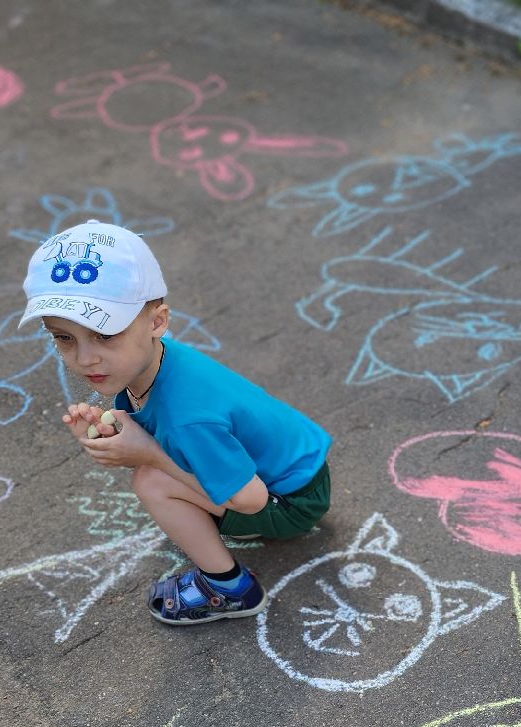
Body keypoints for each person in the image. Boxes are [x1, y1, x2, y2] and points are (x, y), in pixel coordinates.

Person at [22, 220, 332, 624]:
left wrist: (147, 453)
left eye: (104, 335)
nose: (84, 359)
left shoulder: (189, 417)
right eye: (64, 338)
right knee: (155, 470)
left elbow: (250, 499)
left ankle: (231, 588)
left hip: (289, 500)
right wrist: (118, 434)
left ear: (156, 321)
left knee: (151, 482)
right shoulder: (154, 359)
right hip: (290, 470)